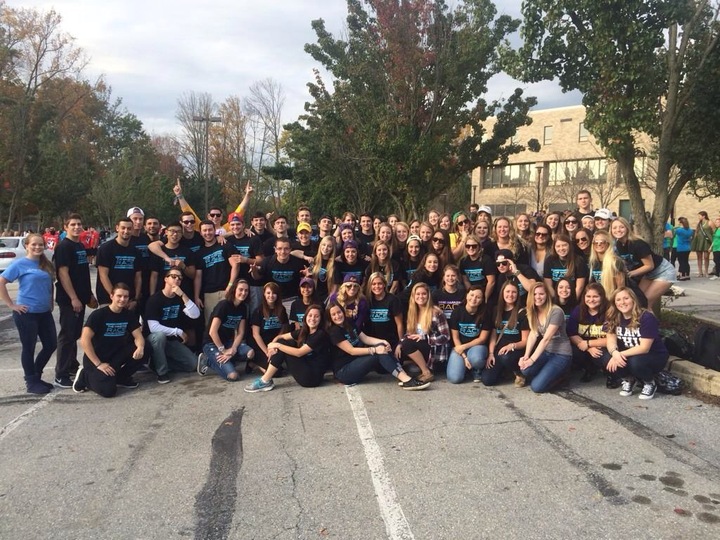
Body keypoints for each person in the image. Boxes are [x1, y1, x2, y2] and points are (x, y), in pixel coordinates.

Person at [0, 233, 57, 394]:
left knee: (51, 344)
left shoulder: (45, 264)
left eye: (40, 244)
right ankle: (31, 381)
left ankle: (36, 375)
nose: (37, 247)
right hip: (26, 313)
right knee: (29, 347)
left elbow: (50, 284)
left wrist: (50, 302)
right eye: (34, 245)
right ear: (27, 246)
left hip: (44, 312)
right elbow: (1, 282)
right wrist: (12, 305)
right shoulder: (20, 264)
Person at [326, 303, 429, 390]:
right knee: (378, 353)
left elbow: (365, 338)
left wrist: (382, 342)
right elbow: (351, 351)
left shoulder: (348, 323)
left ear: (343, 312)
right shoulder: (334, 331)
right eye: (333, 314)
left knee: (381, 347)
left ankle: (404, 376)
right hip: (344, 371)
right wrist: (375, 349)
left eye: (339, 312)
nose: (337, 316)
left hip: (355, 363)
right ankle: (407, 380)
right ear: (330, 317)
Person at [74, 283, 147, 397]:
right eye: (119, 296)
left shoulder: (128, 315)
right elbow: (84, 340)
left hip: (115, 357)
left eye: (125, 297)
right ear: (111, 296)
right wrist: (98, 364)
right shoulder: (98, 315)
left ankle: (122, 377)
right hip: (96, 359)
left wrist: (141, 347)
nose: (122, 299)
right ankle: (84, 376)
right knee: (108, 391)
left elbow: (138, 337)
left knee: (146, 348)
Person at [53, 214, 98, 388]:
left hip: (81, 298)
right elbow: (63, 273)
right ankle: (61, 374)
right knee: (67, 336)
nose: (77, 227)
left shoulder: (79, 245)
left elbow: (82, 274)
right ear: (66, 227)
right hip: (69, 300)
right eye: (73, 224)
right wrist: (73, 298)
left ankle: (71, 366)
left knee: (74, 335)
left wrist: (88, 295)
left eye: (79, 224)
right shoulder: (64, 247)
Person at [245, 305, 330, 392]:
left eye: (316, 316)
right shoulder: (304, 331)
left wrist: (277, 346)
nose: (312, 319)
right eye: (310, 315)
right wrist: (272, 346)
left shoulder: (320, 334)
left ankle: (265, 380)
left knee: (282, 345)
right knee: (284, 342)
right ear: (306, 317)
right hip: (306, 367)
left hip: (312, 378)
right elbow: (281, 337)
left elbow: (299, 353)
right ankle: (265, 379)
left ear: (321, 319)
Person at [604, 287, 669, 400]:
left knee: (635, 362)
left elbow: (644, 348)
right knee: (606, 357)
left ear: (633, 300)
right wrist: (614, 353)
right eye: (618, 300)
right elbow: (610, 341)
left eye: (626, 298)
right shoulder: (613, 317)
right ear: (614, 303)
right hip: (629, 353)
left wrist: (620, 354)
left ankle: (649, 382)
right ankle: (628, 379)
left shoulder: (646, 317)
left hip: (653, 355)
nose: (622, 302)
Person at [145, 269, 202, 384]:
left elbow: (195, 314)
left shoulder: (180, 298)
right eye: (174, 276)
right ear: (166, 279)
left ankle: (156, 363)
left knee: (193, 365)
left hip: (171, 341)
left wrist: (183, 295)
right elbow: (153, 328)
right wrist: (177, 331)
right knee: (160, 336)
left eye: (180, 278)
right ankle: (162, 372)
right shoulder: (155, 299)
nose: (177, 279)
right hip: (154, 339)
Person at [518, 282, 573, 393]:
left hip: (561, 354)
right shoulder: (532, 311)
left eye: (541, 294)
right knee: (525, 370)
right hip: (547, 352)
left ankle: (562, 377)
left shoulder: (555, 311)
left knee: (536, 387)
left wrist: (532, 360)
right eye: (534, 294)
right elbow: (533, 334)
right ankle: (549, 374)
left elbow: (546, 339)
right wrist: (526, 356)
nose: (537, 297)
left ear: (547, 295)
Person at [611, 217, 674, 310]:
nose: (618, 230)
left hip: (663, 272)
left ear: (627, 228)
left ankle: (650, 324)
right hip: (647, 274)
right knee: (636, 300)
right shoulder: (618, 245)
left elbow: (649, 265)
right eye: (614, 228)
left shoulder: (638, 244)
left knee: (645, 302)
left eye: (621, 227)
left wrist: (630, 273)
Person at [199, 279, 255, 382]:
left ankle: (229, 360)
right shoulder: (223, 305)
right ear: (234, 290)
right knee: (233, 376)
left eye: (246, 290)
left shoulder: (243, 307)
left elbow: (241, 332)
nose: (243, 293)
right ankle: (207, 360)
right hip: (212, 344)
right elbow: (212, 331)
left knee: (250, 353)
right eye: (241, 289)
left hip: (228, 343)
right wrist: (223, 350)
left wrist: (233, 349)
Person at [398, 282, 450, 382]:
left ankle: (426, 372)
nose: (420, 296)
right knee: (399, 350)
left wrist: (425, 337)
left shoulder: (436, 312)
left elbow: (446, 336)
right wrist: (399, 344)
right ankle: (417, 367)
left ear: (428, 296)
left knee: (407, 344)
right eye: (418, 294)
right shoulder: (413, 312)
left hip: (434, 351)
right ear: (413, 296)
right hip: (421, 347)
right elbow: (409, 334)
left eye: (424, 294)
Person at [483, 281, 529, 387]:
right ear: (502, 293)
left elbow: (525, 341)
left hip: (515, 351)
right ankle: (505, 371)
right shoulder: (496, 310)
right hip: (499, 350)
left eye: (514, 292)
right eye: (507, 291)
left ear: (518, 294)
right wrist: (491, 353)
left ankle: (519, 373)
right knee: (487, 380)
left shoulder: (522, 313)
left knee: (506, 357)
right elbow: (494, 335)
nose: (510, 295)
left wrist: (512, 345)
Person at [446, 286, 492, 384]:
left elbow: (482, 339)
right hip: (459, 346)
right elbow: (455, 337)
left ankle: (476, 370)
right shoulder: (457, 312)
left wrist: (464, 346)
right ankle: (466, 367)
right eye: (472, 295)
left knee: (477, 359)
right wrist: (464, 356)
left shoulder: (485, 313)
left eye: (478, 297)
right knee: (455, 378)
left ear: (482, 300)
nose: (474, 299)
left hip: (477, 346)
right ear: (467, 296)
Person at [567, 283, 609, 384]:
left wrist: (589, 344)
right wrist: (588, 348)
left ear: (602, 297)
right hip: (583, 346)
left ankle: (611, 374)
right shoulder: (578, 310)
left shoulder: (609, 311)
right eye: (588, 296)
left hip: (602, 347)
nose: (591, 300)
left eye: (595, 296)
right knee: (570, 352)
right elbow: (572, 333)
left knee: (607, 358)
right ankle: (588, 368)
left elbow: (611, 339)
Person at [96, 217, 141, 308]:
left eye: (129, 228)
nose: (126, 231)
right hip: (108, 300)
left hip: (129, 301)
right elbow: (103, 276)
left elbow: (138, 277)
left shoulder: (136, 251)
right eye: (123, 228)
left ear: (132, 230)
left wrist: (135, 299)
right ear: (117, 228)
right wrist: (116, 298)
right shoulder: (106, 249)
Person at [249, 282, 290, 371]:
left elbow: (284, 328)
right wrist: (267, 351)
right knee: (276, 372)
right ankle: (254, 363)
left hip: (274, 344)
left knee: (279, 369)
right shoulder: (258, 311)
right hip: (261, 346)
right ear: (264, 294)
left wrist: (274, 344)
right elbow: (256, 335)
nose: (271, 296)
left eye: (274, 293)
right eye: (268, 293)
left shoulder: (281, 309)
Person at [364, 272, 404, 351]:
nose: (377, 286)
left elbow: (399, 324)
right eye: (374, 284)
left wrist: (400, 343)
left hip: (391, 343)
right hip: (373, 343)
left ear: (384, 284)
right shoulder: (367, 300)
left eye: (379, 283)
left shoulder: (393, 299)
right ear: (370, 286)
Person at [544, 233, 588, 301]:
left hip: (574, 299)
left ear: (569, 246)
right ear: (554, 248)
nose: (561, 248)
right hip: (555, 299)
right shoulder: (549, 260)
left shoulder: (578, 260)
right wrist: (556, 301)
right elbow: (548, 285)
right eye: (558, 246)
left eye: (564, 245)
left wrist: (572, 302)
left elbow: (580, 287)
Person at [458, 234, 496, 300]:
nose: (471, 248)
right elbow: (466, 280)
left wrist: (485, 298)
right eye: (468, 246)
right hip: (472, 293)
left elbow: (491, 282)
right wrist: (471, 295)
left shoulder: (486, 260)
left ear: (479, 246)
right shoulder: (463, 261)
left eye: (474, 246)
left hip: (486, 293)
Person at [308, 235, 336, 302]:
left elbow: (336, 285)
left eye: (329, 246)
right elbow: (294, 252)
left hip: (327, 298)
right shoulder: (314, 260)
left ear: (332, 248)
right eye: (324, 245)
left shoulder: (335, 264)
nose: (325, 248)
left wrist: (331, 299)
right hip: (313, 297)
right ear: (320, 245)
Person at [691, 211, 713, 277]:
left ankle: (706, 271)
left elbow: (713, 231)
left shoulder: (710, 222)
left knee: (706, 257)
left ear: (704, 216)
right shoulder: (699, 223)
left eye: (699, 216)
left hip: (706, 241)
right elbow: (696, 232)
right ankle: (700, 272)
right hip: (699, 241)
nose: (698, 217)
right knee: (699, 257)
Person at [673, 217, 693, 281]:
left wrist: (676, 227)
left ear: (681, 223)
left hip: (681, 248)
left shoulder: (679, 230)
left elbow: (673, 234)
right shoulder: (690, 230)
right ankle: (687, 275)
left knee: (681, 262)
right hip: (687, 247)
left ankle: (682, 275)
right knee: (686, 261)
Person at [711, 216, 720, 280]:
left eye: (718, 222)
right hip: (715, 247)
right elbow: (714, 239)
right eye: (716, 222)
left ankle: (717, 274)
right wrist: (711, 246)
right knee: (716, 260)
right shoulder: (716, 230)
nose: (716, 223)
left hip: (719, 248)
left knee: (717, 261)